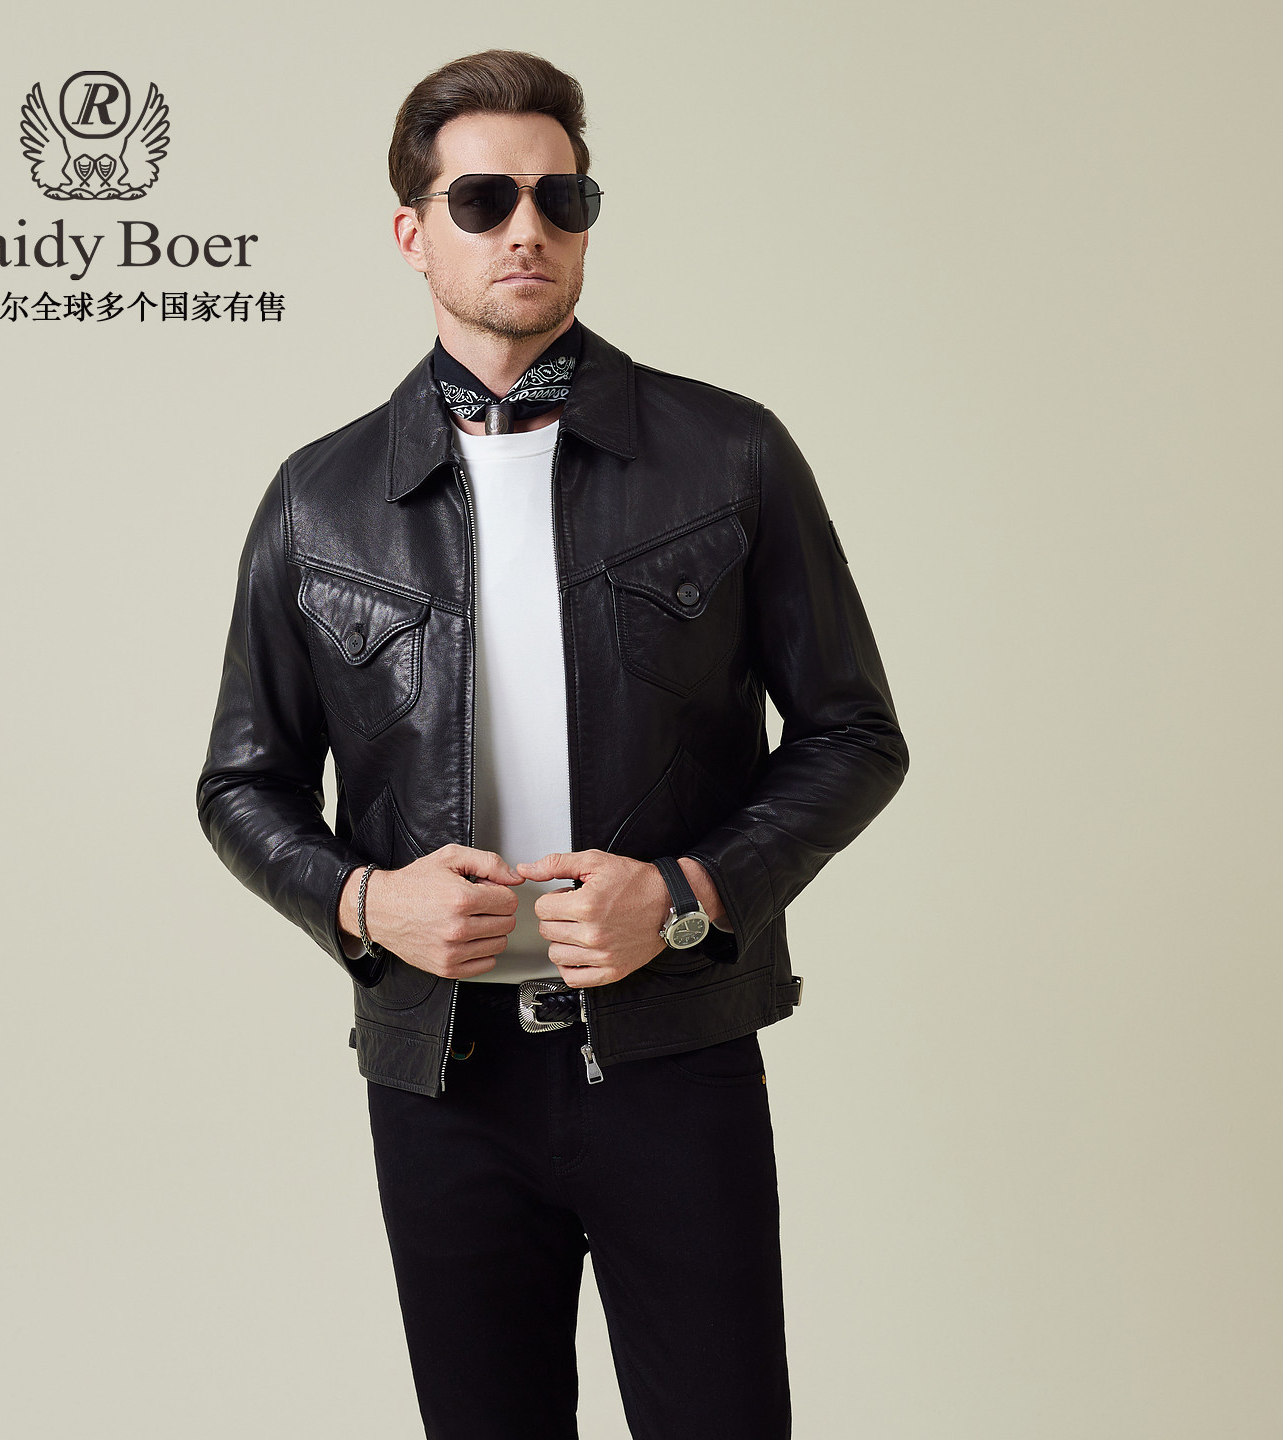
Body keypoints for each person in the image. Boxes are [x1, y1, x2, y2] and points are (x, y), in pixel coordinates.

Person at [197, 47, 908, 1440]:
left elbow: (853, 731)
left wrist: (692, 894)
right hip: (442, 1077)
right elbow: (242, 782)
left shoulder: (730, 455)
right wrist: (365, 903)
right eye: (483, 200)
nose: (526, 227)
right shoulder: (319, 501)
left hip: (674, 1054)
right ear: (413, 233)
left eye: (560, 197)